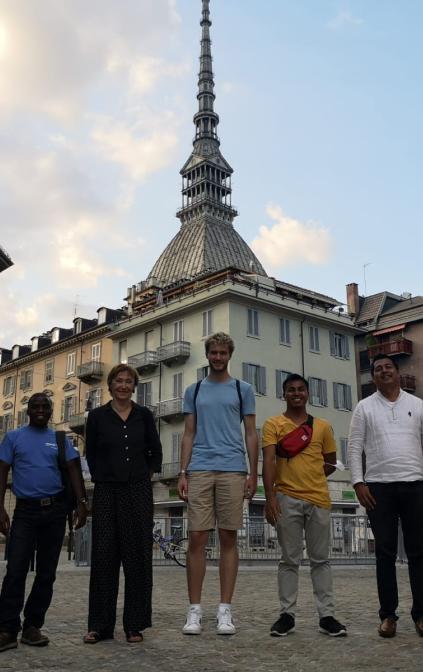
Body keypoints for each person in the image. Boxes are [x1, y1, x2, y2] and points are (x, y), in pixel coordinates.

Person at [178, 332, 258, 636]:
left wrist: (253, 473)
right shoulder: (194, 390)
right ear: (207, 354)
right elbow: (188, 432)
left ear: (230, 355)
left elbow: (251, 433)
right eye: (213, 353)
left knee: (228, 538)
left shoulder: (243, 389)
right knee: (197, 537)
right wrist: (182, 471)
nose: (218, 358)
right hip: (199, 468)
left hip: (233, 469)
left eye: (223, 353)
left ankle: (225, 609)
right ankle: (194, 610)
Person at [0, 393, 87, 653]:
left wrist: (82, 504)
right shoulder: (13, 438)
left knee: (46, 573)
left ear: (51, 411)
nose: (40, 410)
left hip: (55, 512)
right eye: (35, 407)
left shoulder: (59, 439)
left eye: (44, 407)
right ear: (28, 411)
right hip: (24, 513)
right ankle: (6, 629)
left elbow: (73, 470)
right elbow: (2, 471)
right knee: (15, 570)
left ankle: (32, 626)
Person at [262, 373, 347, 637]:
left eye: (300, 389)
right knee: (289, 560)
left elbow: (330, 462)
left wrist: (312, 477)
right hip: (286, 497)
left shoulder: (322, 426)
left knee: (321, 560)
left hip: (319, 499)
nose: (296, 393)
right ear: (283, 394)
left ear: (308, 394)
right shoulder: (272, 424)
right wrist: (270, 497)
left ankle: (327, 615)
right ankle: (287, 615)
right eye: (290, 390)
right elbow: (268, 462)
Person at [83, 364, 162, 645]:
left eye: (129, 381)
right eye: (119, 380)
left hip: (138, 492)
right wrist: (105, 476)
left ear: (134, 386)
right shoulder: (97, 417)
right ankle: (99, 626)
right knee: (104, 556)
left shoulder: (144, 416)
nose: (124, 386)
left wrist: (143, 475)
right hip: (106, 491)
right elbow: (89, 452)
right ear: (110, 385)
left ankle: (135, 625)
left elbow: (155, 451)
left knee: (137, 557)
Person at [348, 353, 423, 638]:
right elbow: (354, 448)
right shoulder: (364, 408)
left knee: (419, 553)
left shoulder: (417, 405)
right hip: (378, 488)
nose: (383, 372)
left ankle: (421, 614)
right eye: (377, 369)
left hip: (416, 484)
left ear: (397, 371)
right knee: (385, 553)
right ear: (373, 377)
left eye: (388, 367)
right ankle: (388, 616)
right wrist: (358, 482)